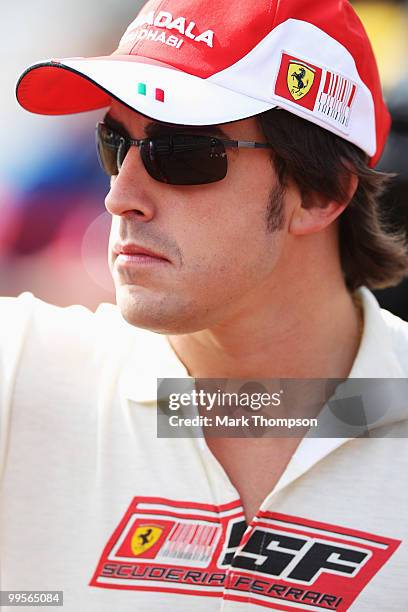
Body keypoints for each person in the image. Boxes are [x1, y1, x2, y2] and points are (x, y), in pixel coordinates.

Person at [1, 0, 408, 610]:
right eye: (115, 144)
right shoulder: (21, 371)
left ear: (322, 193)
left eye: (183, 152)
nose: (120, 197)